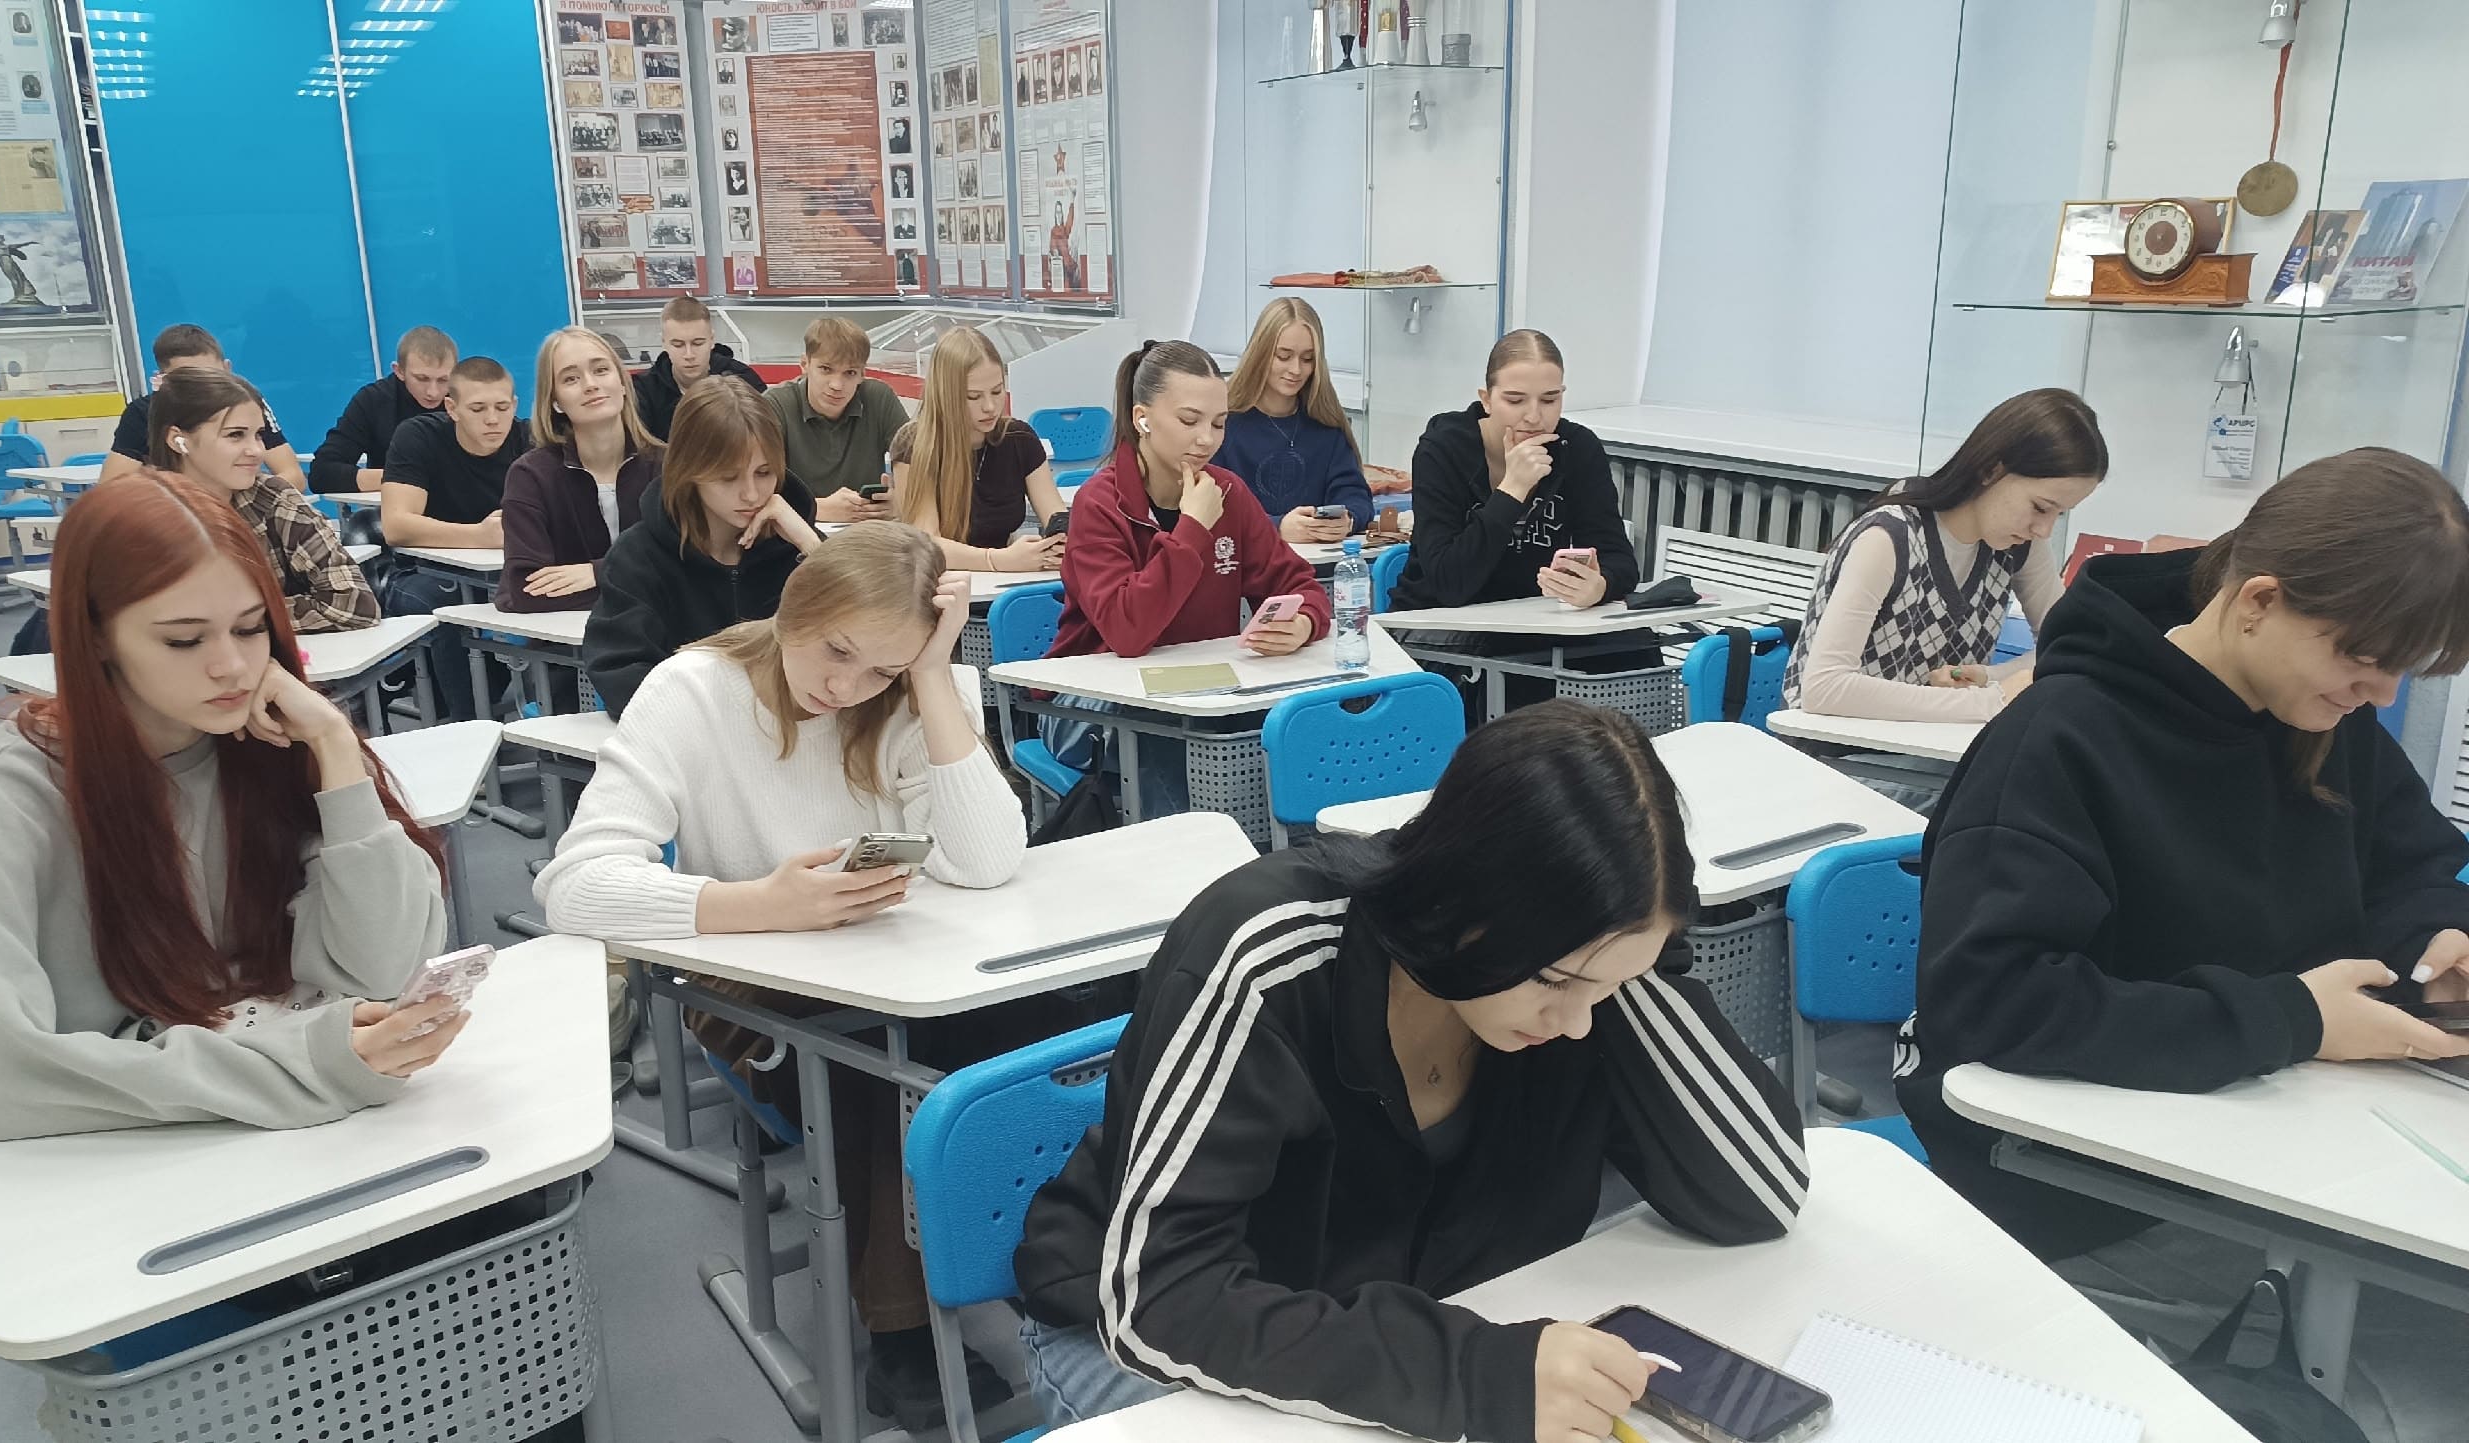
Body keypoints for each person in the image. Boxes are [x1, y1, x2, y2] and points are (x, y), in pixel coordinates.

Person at [1014, 700, 1808, 1437]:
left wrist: (1621, 953)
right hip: (1142, 1336)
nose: (1574, 1024)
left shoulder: (1581, 994)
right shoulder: (1266, 955)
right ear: (1460, 902)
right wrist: (1471, 1374)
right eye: (1552, 981)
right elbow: (1160, 1298)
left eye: (1605, 988)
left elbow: (1760, 1192)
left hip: (1391, 1325)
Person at [540, 523, 1071, 1431]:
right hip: (746, 982)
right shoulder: (692, 688)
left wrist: (931, 678)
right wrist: (765, 902)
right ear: (796, 605)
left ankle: (1043, 1250)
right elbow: (573, 886)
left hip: (896, 962)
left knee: (1037, 1029)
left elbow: (985, 860)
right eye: (836, 650)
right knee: (876, 1061)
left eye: (880, 669)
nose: (846, 686)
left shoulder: (910, 690)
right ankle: (902, 1332)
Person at [1896, 448, 2469, 1262]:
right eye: (2363, 659)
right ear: (2259, 601)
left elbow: (2410, 868)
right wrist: (2291, 1019)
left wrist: (2433, 942)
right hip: (2069, 1175)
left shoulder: (2324, 718)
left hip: (2266, 1122)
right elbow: (1990, 1002)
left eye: (2402, 670)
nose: (2381, 694)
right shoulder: (2061, 738)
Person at [0, 472, 457, 1144]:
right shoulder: (0, 797)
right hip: (113, 1153)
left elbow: (382, 975)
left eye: (251, 628)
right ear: (95, 637)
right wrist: (303, 1065)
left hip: (288, 1132)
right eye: (183, 639)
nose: (232, 666)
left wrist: (334, 748)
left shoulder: (279, 744)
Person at [1040, 340, 1328, 816]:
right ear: (1142, 418)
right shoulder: (1098, 504)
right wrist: (1192, 529)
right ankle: (1203, 857)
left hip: (1199, 693)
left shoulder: (1229, 492)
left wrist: (1302, 624)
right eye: (1189, 421)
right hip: (1085, 703)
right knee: (1162, 729)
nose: (1207, 440)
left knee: (1292, 721)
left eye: (1218, 424)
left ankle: (1281, 845)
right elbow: (1128, 632)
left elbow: (1301, 586)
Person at [1783, 388, 2104, 725]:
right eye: (2040, 507)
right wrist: (1989, 700)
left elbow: (2072, 647)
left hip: (1931, 746)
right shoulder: (1888, 537)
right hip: (1835, 748)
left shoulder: (2020, 545)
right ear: (1991, 470)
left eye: (2059, 515)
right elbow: (1823, 688)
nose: (2045, 529)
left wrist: (1989, 677)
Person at [586, 376, 820, 717]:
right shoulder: (638, 558)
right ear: (689, 470)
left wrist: (810, 545)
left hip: (795, 734)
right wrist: (725, 718)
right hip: (690, 738)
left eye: (765, 472)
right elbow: (621, 677)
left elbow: (866, 640)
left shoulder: (798, 550)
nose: (752, 494)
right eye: (728, 477)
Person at [1389, 329, 1637, 614]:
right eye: (1515, 401)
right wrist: (1512, 490)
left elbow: (1620, 560)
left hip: (1534, 616)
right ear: (1486, 399)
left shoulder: (1578, 447)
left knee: (1637, 640)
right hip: (1436, 618)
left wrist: (1600, 585)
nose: (1533, 417)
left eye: (1549, 400)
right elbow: (1449, 584)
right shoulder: (1443, 449)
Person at [148, 368, 380, 632]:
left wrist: (238, 621)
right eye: (235, 435)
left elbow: (355, 605)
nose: (257, 450)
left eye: (259, 434)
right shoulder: (139, 520)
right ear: (178, 440)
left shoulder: (274, 499)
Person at [380, 355, 531, 719]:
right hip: (420, 572)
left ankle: (547, 717)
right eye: (478, 409)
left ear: (514, 405)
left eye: (501, 407)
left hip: (504, 574)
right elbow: (396, 526)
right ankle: (467, 726)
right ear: (452, 408)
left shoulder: (530, 440)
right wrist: (478, 536)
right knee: (451, 612)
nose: (492, 419)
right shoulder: (418, 436)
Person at [498, 327, 660, 614]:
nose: (590, 384)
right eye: (571, 378)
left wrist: (598, 572)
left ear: (623, 383)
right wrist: (642, 580)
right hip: (567, 640)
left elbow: (693, 567)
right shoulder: (530, 477)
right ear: (555, 401)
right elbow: (525, 591)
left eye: (601, 370)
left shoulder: (670, 465)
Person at [891, 325, 1063, 573]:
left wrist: (1062, 542)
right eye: (973, 396)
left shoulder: (1020, 438)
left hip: (1006, 580)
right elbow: (926, 543)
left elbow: (1056, 516)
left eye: (997, 391)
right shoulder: (914, 444)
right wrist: (996, 560)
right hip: (942, 582)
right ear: (946, 395)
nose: (990, 406)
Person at [1216, 298, 1371, 544]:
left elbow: (1355, 495)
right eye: (1283, 356)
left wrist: (1347, 520)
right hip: (1243, 562)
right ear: (1260, 353)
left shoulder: (1326, 426)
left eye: (1307, 359)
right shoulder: (1221, 424)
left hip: (1316, 563)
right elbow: (1211, 511)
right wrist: (1276, 527)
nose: (1296, 370)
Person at [103, 324, 306, 490]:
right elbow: (111, 490)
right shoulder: (143, 412)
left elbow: (293, 476)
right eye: (188, 382)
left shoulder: (247, 406)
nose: (203, 389)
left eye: (213, 377)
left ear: (227, 369)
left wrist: (247, 499)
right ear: (164, 381)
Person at [764, 316, 911, 523]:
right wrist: (816, 508)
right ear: (805, 364)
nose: (837, 385)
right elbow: (751, 492)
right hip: (794, 530)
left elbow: (920, 465)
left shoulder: (879, 398)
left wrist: (900, 501)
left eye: (849, 373)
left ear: (862, 375)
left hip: (869, 530)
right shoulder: (774, 405)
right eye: (826, 369)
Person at [309, 325, 457, 494]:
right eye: (422, 379)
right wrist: (403, 477)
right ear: (399, 371)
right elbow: (322, 474)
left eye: (443, 380)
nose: (433, 392)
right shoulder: (373, 400)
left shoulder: (468, 398)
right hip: (397, 506)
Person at [631, 295, 767, 440]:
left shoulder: (744, 381)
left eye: (698, 343)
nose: (689, 355)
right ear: (664, 343)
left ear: (712, 340)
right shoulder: (642, 391)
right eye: (678, 345)